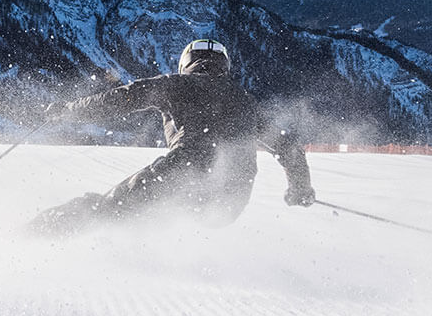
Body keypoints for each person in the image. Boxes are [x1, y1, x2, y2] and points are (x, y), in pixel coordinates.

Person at [33, 39, 314, 232]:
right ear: (224, 66)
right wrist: (300, 189)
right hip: (231, 200)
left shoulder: (175, 85)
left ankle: (34, 234)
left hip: (184, 173)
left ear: (186, 63)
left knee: (107, 209)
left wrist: (66, 110)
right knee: (153, 218)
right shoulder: (247, 101)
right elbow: (289, 147)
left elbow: (118, 100)